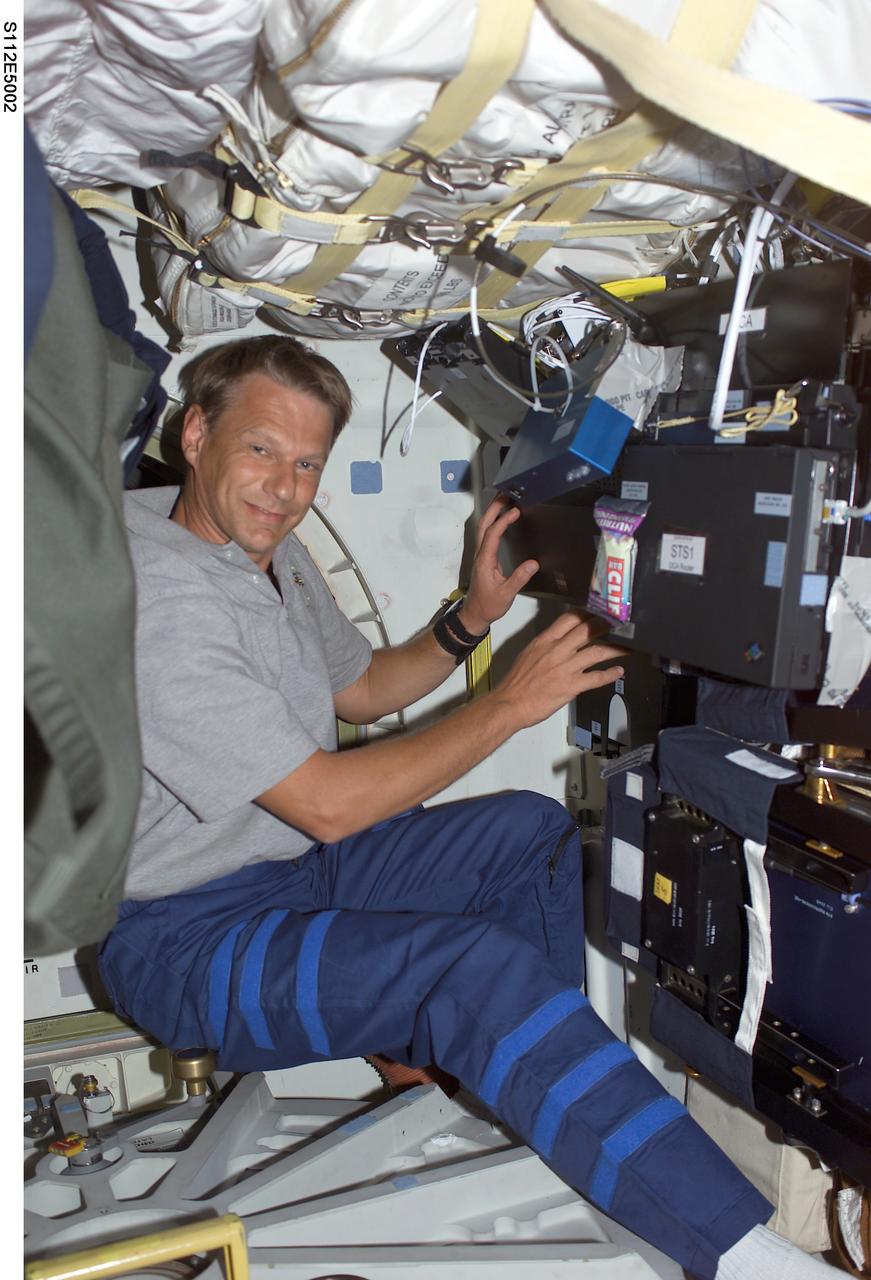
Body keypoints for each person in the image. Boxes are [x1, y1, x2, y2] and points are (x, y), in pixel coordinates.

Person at [99, 335, 838, 1280]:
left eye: (306, 464)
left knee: (526, 835)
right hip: (184, 939)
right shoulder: (157, 597)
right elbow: (326, 804)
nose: (283, 488)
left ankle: (551, 1093)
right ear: (196, 432)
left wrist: (473, 616)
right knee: (465, 971)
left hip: (293, 870)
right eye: (259, 450)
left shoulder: (260, 554)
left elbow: (361, 687)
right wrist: (507, 704)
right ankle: (743, 1256)